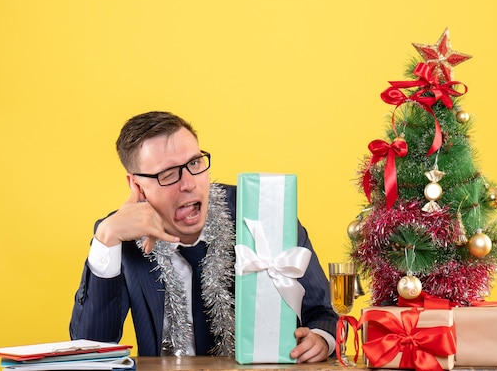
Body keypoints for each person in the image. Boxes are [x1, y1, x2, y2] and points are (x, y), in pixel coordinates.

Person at [69, 111, 338, 362]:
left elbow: (322, 313)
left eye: (195, 163)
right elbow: (91, 347)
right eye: (167, 174)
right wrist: (106, 238)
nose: (188, 184)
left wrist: (322, 339)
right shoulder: (120, 235)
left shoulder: (264, 214)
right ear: (136, 185)